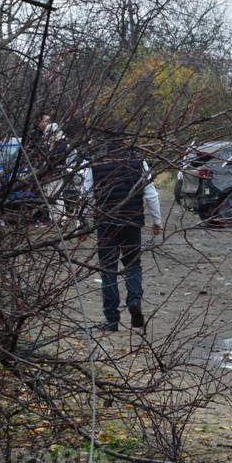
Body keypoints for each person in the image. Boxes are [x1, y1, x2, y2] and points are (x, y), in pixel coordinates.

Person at [82, 138, 162, 331]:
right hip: (132, 221)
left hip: (106, 222)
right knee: (133, 265)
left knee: (108, 269)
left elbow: (86, 195)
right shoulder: (138, 161)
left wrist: (82, 224)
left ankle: (111, 320)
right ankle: (134, 300)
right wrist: (157, 220)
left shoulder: (95, 164)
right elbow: (150, 193)